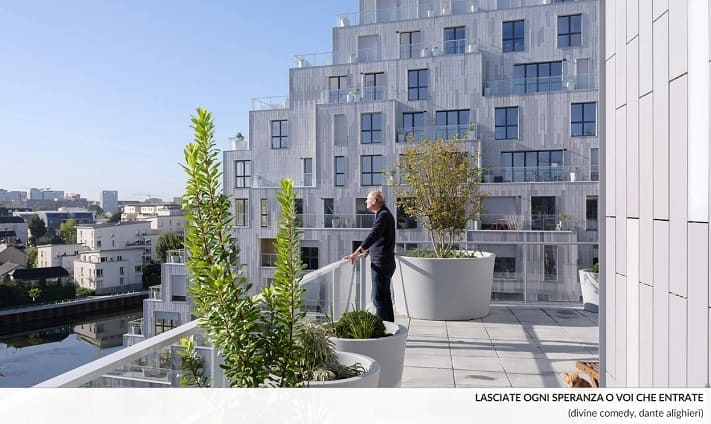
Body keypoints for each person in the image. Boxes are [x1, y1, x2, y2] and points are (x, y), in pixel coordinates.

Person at [344, 189, 396, 322]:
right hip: (385, 262)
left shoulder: (383, 215)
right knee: (384, 297)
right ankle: (389, 328)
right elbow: (380, 237)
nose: (366, 201)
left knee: (379, 299)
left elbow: (374, 234)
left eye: (368, 199)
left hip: (382, 264)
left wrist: (357, 252)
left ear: (374, 201)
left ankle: (384, 329)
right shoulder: (384, 214)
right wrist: (368, 251)